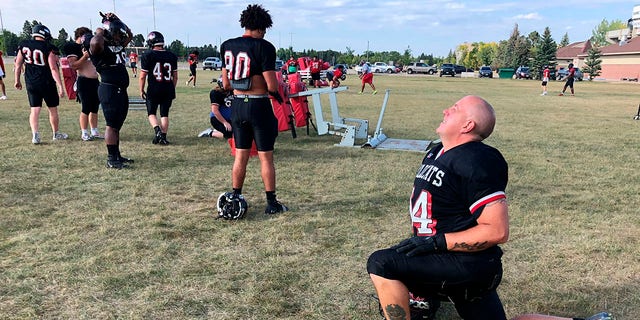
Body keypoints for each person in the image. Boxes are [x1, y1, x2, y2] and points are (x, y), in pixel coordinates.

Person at [367, 96, 509, 320]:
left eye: (454, 109)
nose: (445, 111)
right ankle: (422, 298)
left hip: (468, 264)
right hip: (447, 259)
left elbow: (497, 231)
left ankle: (422, 299)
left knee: (382, 263)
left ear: (467, 125)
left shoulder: (478, 159)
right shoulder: (438, 151)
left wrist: (435, 242)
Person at [220, 3, 288, 215]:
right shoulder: (264, 47)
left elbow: (226, 84)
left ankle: (235, 195)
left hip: (238, 105)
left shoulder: (227, 45)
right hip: (258, 105)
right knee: (266, 157)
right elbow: (272, 86)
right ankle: (271, 202)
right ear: (261, 27)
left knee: (240, 155)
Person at [88, 12, 134, 169]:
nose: (118, 37)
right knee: (111, 125)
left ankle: (117, 155)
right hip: (110, 90)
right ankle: (111, 159)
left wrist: (117, 20)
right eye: (115, 34)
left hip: (121, 89)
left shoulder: (117, 45)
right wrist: (101, 30)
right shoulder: (98, 45)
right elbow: (95, 43)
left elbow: (130, 34)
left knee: (117, 125)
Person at [14, 24, 68, 144]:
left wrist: (17, 80)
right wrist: (60, 85)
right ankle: (55, 133)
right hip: (46, 81)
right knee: (52, 109)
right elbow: (53, 68)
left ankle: (35, 135)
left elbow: (18, 65)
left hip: (31, 82)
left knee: (35, 110)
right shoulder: (48, 47)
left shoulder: (24, 44)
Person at [63, 26, 104, 141]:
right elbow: (74, 65)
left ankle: (94, 131)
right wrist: (85, 56)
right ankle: (84, 132)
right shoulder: (74, 47)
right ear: (81, 37)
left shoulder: (90, 47)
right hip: (84, 80)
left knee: (95, 107)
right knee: (86, 107)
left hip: (95, 80)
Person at [139, 31, 178, 145]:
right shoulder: (171, 56)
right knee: (164, 113)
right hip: (168, 87)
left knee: (151, 112)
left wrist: (141, 89)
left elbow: (142, 76)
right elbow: (175, 77)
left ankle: (158, 132)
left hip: (154, 88)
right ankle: (163, 137)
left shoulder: (148, 55)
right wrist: (172, 88)